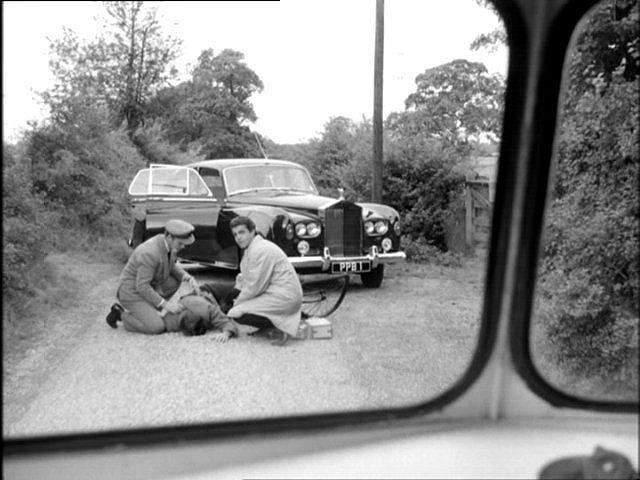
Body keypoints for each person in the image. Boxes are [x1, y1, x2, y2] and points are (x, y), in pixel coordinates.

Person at [105, 219, 201, 334]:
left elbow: (171, 265)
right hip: (131, 292)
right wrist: (166, 305)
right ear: (170, 237)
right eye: (180, 243)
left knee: (175, 280)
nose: (183, 246)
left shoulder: (167, 243)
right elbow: (142, 286)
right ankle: (120, 314)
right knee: (157, 327)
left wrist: (188, 277)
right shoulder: (150, 253)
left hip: (147, 286)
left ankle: (148, 311)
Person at [221, 216, 303, 346]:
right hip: (277, 293)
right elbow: (246, 276)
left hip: (285, 298)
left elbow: (254, 287)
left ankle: (279, 328)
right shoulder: (253, 248)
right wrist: (237, 289)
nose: (238, 238)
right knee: (239, 307)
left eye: (242, 232)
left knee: (236, 313)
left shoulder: (260, 249)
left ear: (252, 231)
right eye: (235, 234)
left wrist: (236, 302)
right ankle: (268, 326)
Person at [163, 288, 239, 342]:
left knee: (238, 291)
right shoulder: (171, 321)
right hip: (196, 296)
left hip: (213, 291)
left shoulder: (207, 309)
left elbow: (226, 322)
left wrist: (226, 333)